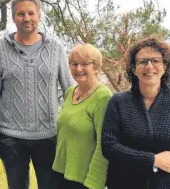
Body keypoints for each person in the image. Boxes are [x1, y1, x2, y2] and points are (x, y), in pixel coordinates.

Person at [0, 0, 74, 189]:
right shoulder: (1, 49)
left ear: (39, 15)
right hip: (11, 138)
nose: (26, 18)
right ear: (13, 18)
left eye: (31, 13)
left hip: (49, 135)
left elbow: (70, 89)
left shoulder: (56, 48)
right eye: (21, 14)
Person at [102, 38, 170, 189]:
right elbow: (108, 146)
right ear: (133, 68)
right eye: (143, 61)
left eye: (156, 61)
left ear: (164, 66)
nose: (149, 66)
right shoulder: (119, 101)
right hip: (124, 182)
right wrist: (152, 160)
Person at [52, 44, 112, 189]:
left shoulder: (103, 97)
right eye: (74, 64)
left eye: (85, 64)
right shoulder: (70, 92)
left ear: (96, 67)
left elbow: (103, 145)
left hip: (84, 180)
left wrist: (93, 184)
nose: (78, 69)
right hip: (60, 173)